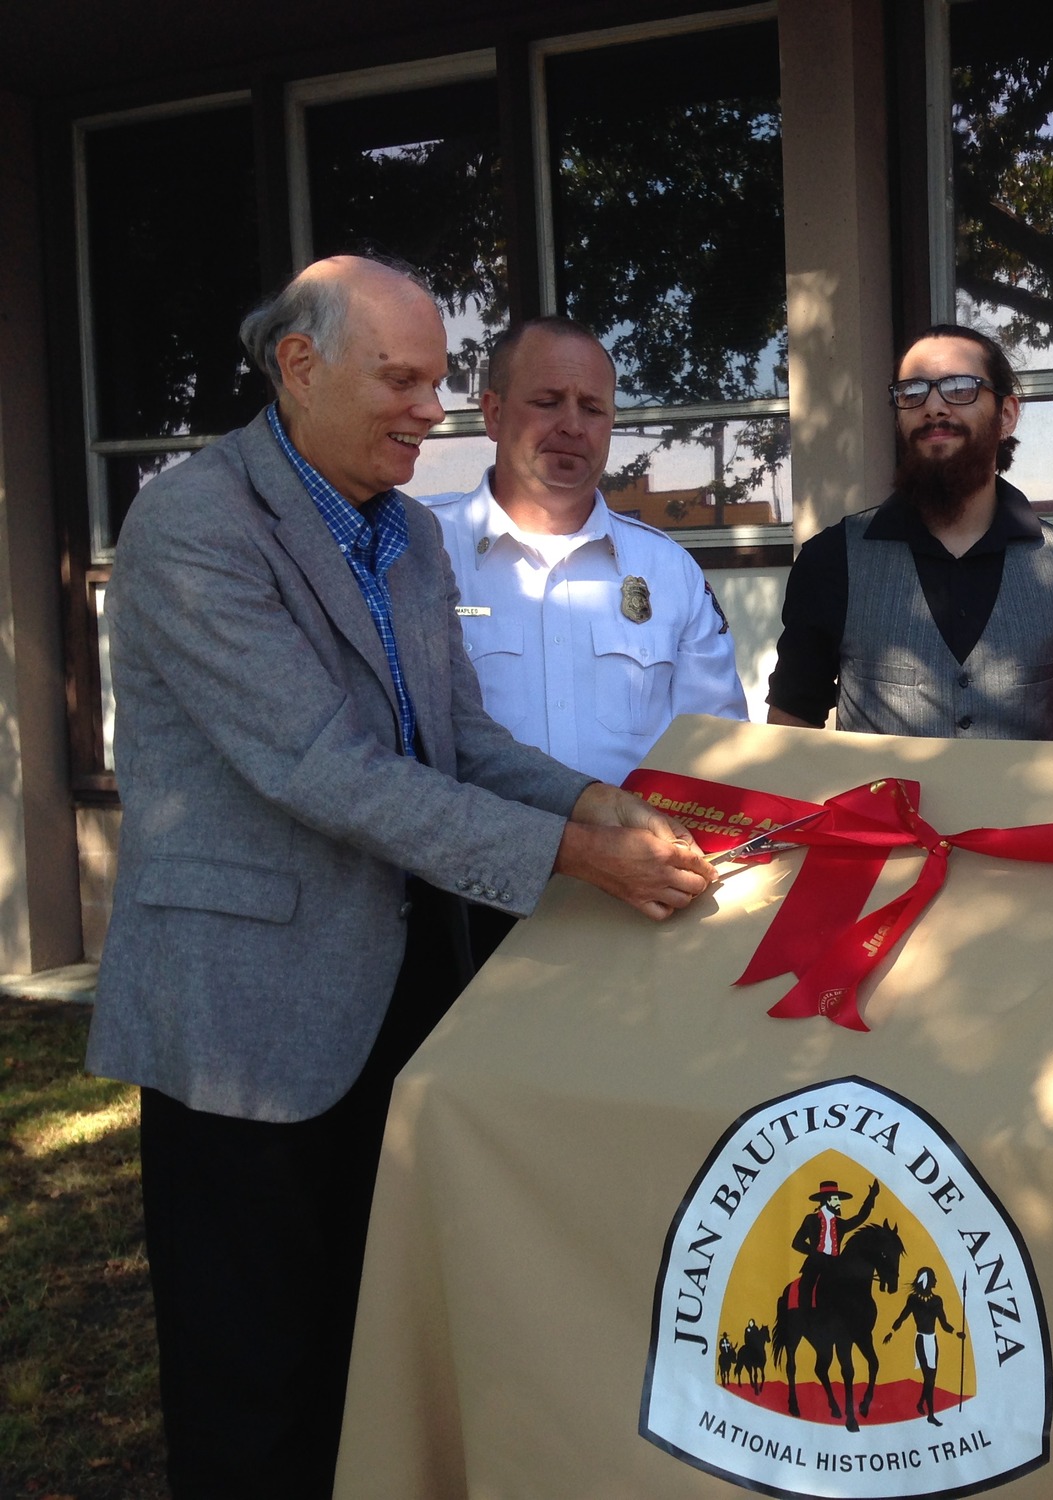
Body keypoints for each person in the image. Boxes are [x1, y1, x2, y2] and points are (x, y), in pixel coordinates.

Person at [87, 255, 717, 1499]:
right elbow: (319, 765)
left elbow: (459, 738)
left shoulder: (406, 535)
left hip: (400, 1007)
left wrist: (598, 799)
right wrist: (573, 856)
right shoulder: (193, 522)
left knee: (377, 1354)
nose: (432, 410)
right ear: (300, 364)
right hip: (244, 1026)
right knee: (251, 1387)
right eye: (405, 380)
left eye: (437, 381)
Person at [420, 315, 746, 788]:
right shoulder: (419, 545)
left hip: (633, 858)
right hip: (470, 859)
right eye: (547, 402)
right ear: (493, 413)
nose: (573, 426)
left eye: (592, 408)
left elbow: (718, 755)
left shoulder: (668, 571)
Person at [766, 323, 1053, 740]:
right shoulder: (830, 561)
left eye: (960, 387)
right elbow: (790, 725)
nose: (933, 406)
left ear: (1006, 415)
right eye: (912, 392)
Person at [884, 1266, 963, 1426]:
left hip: (932, 1341)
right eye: (932, 1278)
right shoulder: (914, 1300)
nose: (935, 1281)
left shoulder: (936, 1301)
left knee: (931, 1378)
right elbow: (903, 1317)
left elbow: (944, 1324)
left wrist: (956, 1333)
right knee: (929, 1378)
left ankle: (920, 1403)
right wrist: (891, 1331)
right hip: (920, 1340)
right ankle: (931, 1415)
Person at [791, 1178, 881, 1313]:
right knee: (805, 1287)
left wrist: (871, 1197)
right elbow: (796, 1242)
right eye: (836, 1199)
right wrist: (815, 1253)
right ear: (827, 1200)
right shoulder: (811, 1220)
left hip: (835, 1264)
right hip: (815, 1264)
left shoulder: (840, 1224)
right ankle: (805, 1318)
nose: (839, 1203)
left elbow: (860, 1217)